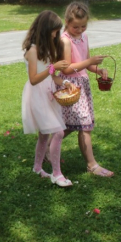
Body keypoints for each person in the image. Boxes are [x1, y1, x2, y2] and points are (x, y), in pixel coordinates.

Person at [57, 1, 112, 177]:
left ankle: (47, 148)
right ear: (66, 21)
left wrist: (98, 69)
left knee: (71, 125)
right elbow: (65, 69)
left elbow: (86, 63)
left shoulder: (84, 37)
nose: (80, 30)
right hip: (71, 87)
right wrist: (89, 62)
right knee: (84, 125)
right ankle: (92, 164)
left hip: (83, 85)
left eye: (83, 26)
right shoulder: (65, 40)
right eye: (75, 27)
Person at [22, 10, 74, 187]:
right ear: (45, 30)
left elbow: (53, 77)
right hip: (37, 96)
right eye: (53, 31)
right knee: (58, 132)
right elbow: (34, 79)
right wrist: (53, 68)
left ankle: (37, 167)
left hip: (49, 95)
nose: (55, 34)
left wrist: (64, 82)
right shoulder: (33, 51)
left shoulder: (48, 49)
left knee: (44, 134)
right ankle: (57, 173)